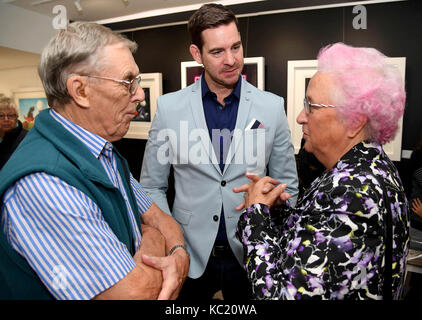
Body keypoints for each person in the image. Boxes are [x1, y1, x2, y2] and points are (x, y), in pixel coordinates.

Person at [0, 21, 189, 300]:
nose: (139, 94)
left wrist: (178, 254)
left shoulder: (105, 152)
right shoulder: (45, 182)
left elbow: (162, 218)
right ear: (80, 91)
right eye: (128, 82)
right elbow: (136, 295)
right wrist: (154, 238)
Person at [140, 3, 298, 300]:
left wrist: (275, 208)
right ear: (196, 54)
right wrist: (173, 242)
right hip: (189, 254)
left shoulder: (271, 106)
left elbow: (288, 184)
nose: (231, 60)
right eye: (217, 52)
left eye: (236, 47)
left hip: (252, 256)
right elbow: (151, 186)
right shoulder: (169, 108)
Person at [235, 43, 409, 300]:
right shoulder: (370, 169)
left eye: (311, 106)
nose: (300, 117)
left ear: (354, 121)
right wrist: (281, 213)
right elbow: (321, 254)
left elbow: (280, 296)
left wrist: (256, 214)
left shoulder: (352, 192)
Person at [0, 95, 27, 169]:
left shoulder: (27, 138)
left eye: (10, 115)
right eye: (1, 116)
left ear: (16, 117)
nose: (6, 119)